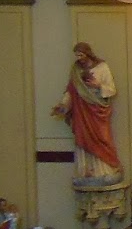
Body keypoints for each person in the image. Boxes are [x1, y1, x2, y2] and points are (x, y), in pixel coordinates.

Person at [52, 41, 123, 185]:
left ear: (88, 53)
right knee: (83, 137)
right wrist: (63, 106)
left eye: (81, 54)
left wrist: (98, 86)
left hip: (97, 110)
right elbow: (71, 91)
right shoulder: (76, 71)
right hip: (81, 111)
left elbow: (112, 89)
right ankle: (87, 170)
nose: (79, 58)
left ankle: (105, 169)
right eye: (77, 55)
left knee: (102, 137)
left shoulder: (102, 67)